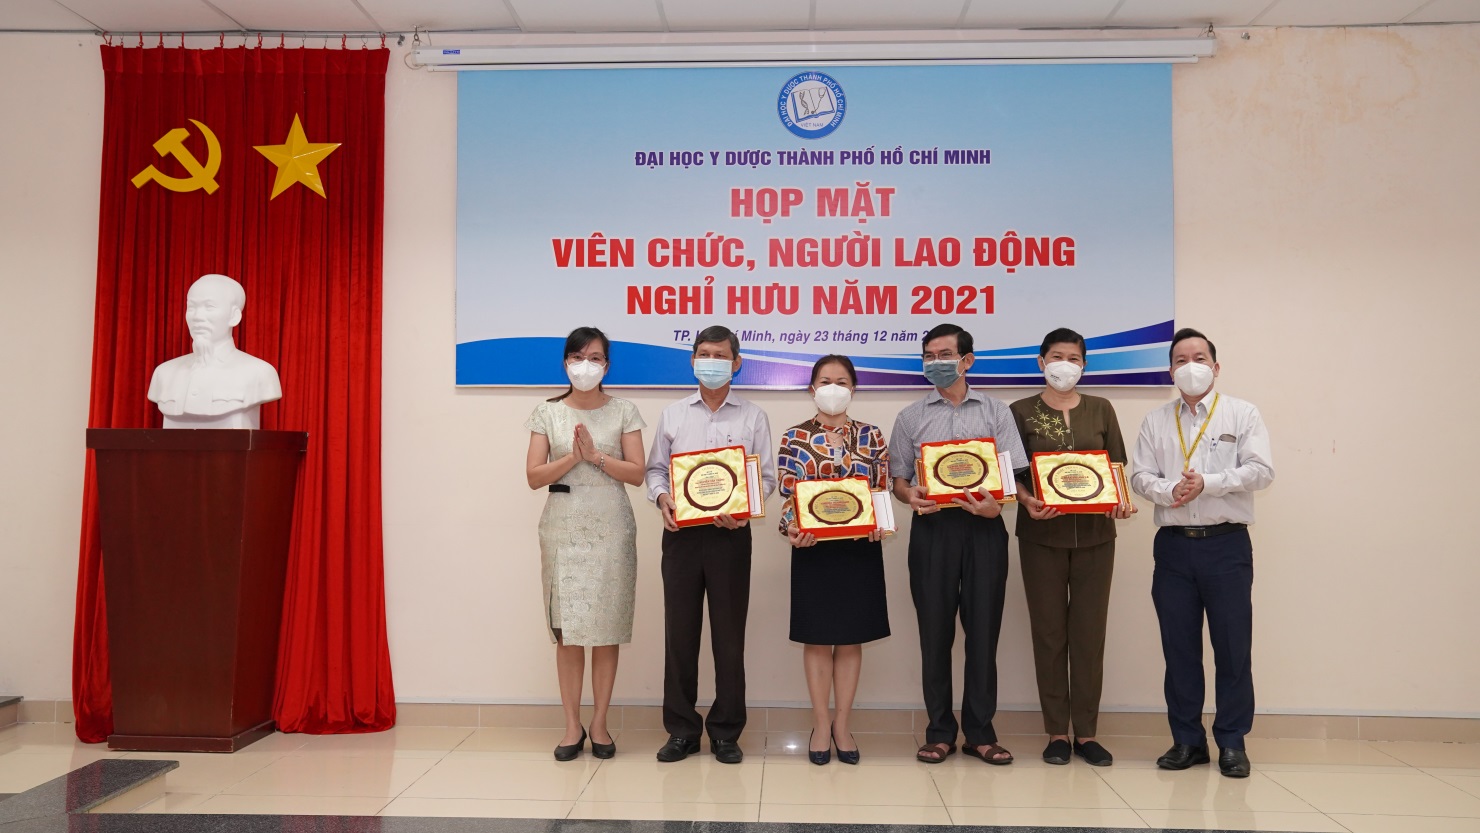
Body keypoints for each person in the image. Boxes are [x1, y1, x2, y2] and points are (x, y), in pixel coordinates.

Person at [1131, 328, 1274, 778]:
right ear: (1170, 370)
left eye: (1198, 358)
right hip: (1174, 548)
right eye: (1180, 359)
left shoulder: (1242, 413)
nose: (1190, 366)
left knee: (1232, 648)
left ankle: (1232, 742)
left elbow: (1261, 471)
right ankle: (1187, 741)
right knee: (1179, 649)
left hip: (1226, 546)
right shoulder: (1155, 420)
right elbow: (1139, 476)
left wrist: (1208, 483)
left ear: (1215, 367)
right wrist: (1170, 489)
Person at [889, 323, 1028, 766]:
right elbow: (898, 479)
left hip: (985, 528)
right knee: (935, 634)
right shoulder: (910, 417)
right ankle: (939, 732)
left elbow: (1011, 475)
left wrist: (997, 505)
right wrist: (909, 495)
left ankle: (981, 733)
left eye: (945, 354)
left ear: (967, 360)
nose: (936, 363)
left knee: (984, 632)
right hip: (933, 529)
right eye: (929, 356)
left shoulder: (996, 411)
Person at [644, 326, 776, 764]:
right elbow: (656, 470)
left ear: (736, 363)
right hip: (680, 537)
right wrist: (662, 499)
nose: (711, 362)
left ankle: (725, 731)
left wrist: (745, 511)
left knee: (729, 638)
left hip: (731, 536)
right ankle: (681, 731)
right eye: (704, 353)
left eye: (720, 355)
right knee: (679, 636)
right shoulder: (673, 414)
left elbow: (766, 478)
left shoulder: (753, 417)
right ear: (692, 360)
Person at [1010, 327, 1136, 767]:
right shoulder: (1020, 411)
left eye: (1074, 358)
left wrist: (1121, 502)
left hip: (1097, 537)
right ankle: (1056, 733)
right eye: (1056, 357)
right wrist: (1027, 501)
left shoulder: (1101, 408)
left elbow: (1115, 466)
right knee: (1048, 634)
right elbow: (1013, 473)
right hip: (1041, 537)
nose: (1065, 365)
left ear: (1084, 365)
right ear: (1041, 362)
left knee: (1089, 634)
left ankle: (1087, 733)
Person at [523, 327, 647, 761]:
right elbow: (534, 477)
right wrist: (572, 458)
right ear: (565, 363)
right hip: (563, 528)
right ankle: (572, 725)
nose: (585, 365)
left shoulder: (625, 411)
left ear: (607, 366)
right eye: (577, 357)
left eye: (595, 357)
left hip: (612, 527)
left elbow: (637, 473)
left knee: (606, 630)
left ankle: (600, 723)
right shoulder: (547, 412)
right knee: (569, 633)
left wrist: (595, 456)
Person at [776, 355, 890, 766]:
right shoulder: (794, 437)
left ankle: (843, 725)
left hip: (859, 547)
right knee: (818, 637)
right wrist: (791, 529)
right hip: (813, 548)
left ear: (853, 388)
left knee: (851, 637)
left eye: (841, 381)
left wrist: (882, 524)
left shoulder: (872, 435)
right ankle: (821, 724)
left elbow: (881, 491)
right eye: (825, 381)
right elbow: (788, 494)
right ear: (812, 388)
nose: (833, 388)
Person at [148, 273, 282, 429]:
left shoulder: (259, 372)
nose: (197, 316)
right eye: (192, 307)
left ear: (234, 316)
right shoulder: (164, 373)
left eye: (209, 307)